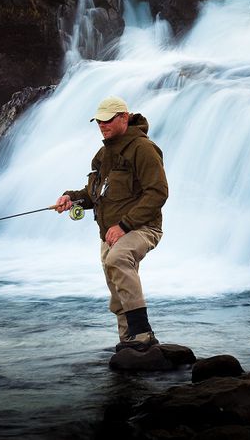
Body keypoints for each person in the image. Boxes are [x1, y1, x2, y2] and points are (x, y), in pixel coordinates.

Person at [55, 96, 168, 352]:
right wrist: (71, 199)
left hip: (143, 228)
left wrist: (125, 226)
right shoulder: (105, 153)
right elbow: (95, 193)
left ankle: (143, 334)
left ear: (123, 118)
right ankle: (127, 339)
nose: (102, 125)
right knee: (113, 276)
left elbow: (158, 192)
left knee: (118, 259)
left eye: (108, 120)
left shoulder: (144, 149)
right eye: (99, 120)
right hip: (110, 233)